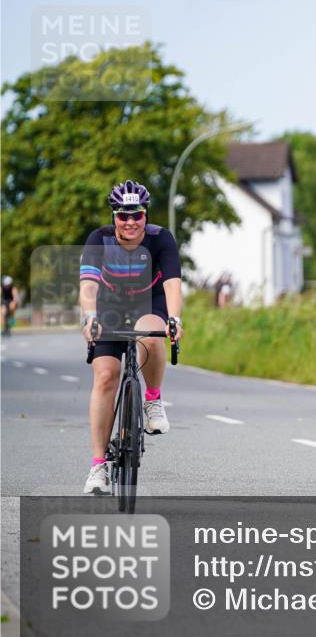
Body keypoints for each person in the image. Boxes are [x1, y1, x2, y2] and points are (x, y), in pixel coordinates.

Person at [80, 180, 184, 494]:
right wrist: (90, 318)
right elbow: (89, 285)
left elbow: (172, 283)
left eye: (136, 215)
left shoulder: (160, 238)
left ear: (145, 215)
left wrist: (175, 319)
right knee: (105, 377)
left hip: (148, 300)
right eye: (122, 215)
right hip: (109, 305)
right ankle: (98, 466)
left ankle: (152, 400)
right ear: (114, 216)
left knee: (151, 337)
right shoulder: (99, 239)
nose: (130, 222)